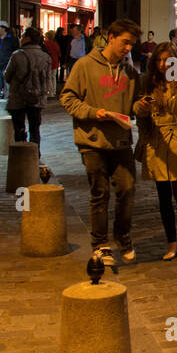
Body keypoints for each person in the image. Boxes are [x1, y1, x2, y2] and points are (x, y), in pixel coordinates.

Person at [60, 19, 141, 267]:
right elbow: (67, 98)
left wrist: (142, 106)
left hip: (120, 141)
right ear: (111, 36)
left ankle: (123, 236)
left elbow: (134, 105)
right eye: (125, 42)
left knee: (127, 188)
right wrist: (93, 112)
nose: (128, 48)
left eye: (132, 44)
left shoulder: (130, 72)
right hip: (91, 140)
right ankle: (100, 244)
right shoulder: (85, 66)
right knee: (100, 193)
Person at [134, 41, 177, 260]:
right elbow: (138, 113)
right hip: (156, 142)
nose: (163, 65)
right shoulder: (148, 81)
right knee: (163, 196)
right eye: (159, 60)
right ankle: (171, 243)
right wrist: (141, 110)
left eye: (167, 60)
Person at [4, 27, 51, 150]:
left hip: (18, 97)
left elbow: (7, 76)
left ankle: (21, 155)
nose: (21, 38)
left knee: (19, 129)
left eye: (23, 36)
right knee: (35, 129)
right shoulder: (45, 56)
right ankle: (35, 155)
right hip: (36, 98)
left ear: (28, 38)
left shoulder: (17, 55)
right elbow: (47, 79)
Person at [0, 21, 18, 101]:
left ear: (3, 28)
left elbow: (16, 52)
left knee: (8, 87)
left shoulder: (12, 40)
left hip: (7, 67)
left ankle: (8, 105)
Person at [43, 30, 62, 98]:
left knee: (48, 78)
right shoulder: (55, 44)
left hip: (48, 62)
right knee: (53, 78)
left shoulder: (45, 44)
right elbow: (59, 53)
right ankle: (53, 92)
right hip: (55, 62)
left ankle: (49, 92)